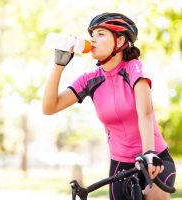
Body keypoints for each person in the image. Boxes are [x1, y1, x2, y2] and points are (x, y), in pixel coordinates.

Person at [42, 12, 176, 200]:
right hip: (120, 164)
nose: (93, 39)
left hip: (153, 157)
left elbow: (144, 113)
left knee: (154, 195)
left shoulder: (134, 68)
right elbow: (49, 107)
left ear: (119, 41)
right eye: (92, 35)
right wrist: (59, 65)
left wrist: (148, 154)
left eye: (100, 34)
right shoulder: (90, 80)